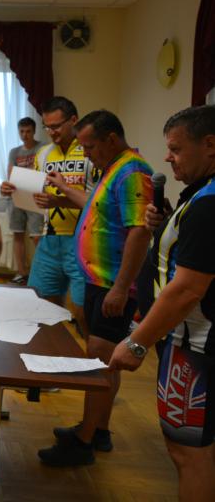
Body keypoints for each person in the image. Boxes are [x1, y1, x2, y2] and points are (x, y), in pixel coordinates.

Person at [109, 105, 215, 502]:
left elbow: (187, 289)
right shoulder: (201, 196)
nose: (167, 157)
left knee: (189, 454)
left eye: (176, 148)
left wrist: (138, 342)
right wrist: (170, 220)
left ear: (210, 145)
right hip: (194, 343)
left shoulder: (208, 205)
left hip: (194, 347)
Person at [37, 110, 152, 466]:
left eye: (89, 146)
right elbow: (93, 205)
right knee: (104, 359)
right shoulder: (113, 168)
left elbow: (139, 232)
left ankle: (83, 443)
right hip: (99, 280)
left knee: (100, 360)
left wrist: (121, 288)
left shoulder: (132, 172)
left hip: (111, 284)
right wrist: (63, 187)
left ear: (111, 139)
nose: (85, 154)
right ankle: (97, 429)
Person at [4, 96, 94, 328]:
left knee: (83, 314)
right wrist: (13, 189)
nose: (51, 132)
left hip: (83, 241)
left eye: (56, 126)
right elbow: (36, 192)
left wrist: (59, 201)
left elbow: (98, 202)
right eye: (47, 127)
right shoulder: (43, 154)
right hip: (50, 239)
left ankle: (89, 352)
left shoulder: (89, 151)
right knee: (40, 307)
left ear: (73, 120)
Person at [0, 117, 44, 284]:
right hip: (16, 196)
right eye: (22, 131)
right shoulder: (14, 152)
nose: (25, 135)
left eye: (28, 131)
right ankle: (21, 272)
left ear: (34, 131)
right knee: (17, 234)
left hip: (35, 196)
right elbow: (11, 174)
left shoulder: (42, 148)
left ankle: (39, 274)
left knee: (37, 236)